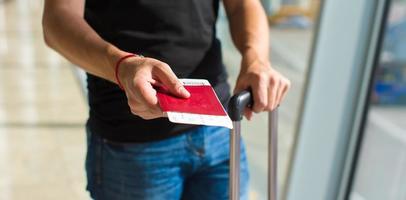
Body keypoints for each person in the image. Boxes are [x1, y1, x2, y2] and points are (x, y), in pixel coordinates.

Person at [42, 0, 290, 199]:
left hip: (219, 128)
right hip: (132, 144)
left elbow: (241, 5)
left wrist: (256, 57)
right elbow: (58, 19)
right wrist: (122, 65)